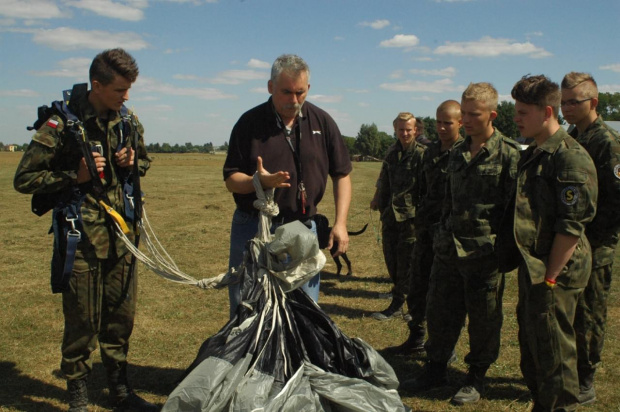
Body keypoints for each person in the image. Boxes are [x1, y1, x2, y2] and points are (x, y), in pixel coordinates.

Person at [13, 49, 157, 412]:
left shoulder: (127, 120)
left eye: (128, 90)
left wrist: (131, 161)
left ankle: (119, 390)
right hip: (81, 239)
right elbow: (24, 179)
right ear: (97, 85)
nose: (126, 97)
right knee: (82, 320)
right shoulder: (61, 123)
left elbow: (144, 161)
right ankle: (77, 393)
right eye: (120, 90)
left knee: (121, 319)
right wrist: (71, 176)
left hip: (122, 237)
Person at [401, 83, 520, 405]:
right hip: (448, 250)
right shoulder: (455, 153)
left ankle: (476, 376)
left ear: (492, 115)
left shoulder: (508, 154)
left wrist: (502, 252)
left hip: (484, 255)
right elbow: (445, 200)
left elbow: (515, 212)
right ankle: (435, 368)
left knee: (484, 321)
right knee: (440, 313)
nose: (466, 120)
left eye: (473, 114)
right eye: (463, 113)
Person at [223, 54, 352, 319]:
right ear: (270, 87)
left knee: (305, 314)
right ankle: (249, 360)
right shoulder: (249, 123)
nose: (294, 100)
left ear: (308, 89)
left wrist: (340, 223)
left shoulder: (322, 121)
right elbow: (231, 180)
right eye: (286, 92)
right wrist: (258, 182)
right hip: (255, 227)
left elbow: (342, 175)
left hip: (303, 227)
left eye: (300, 93)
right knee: (247, 310)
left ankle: (297, 361)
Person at [502, 74, 598, 411]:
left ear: (546, 112)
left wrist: (551, 278)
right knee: (534, 344)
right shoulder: (537, 152)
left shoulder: (569, 157)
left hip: (557, 268)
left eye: (522, 112)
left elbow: (571, 227)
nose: (515, 118)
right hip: (538, 266)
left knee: (554, 349)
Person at [561, 72, 620, 405]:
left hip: (595, 245)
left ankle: (586, 378)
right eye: (563, 101)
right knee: (570, 311)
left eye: (574, 101)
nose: (566, 107)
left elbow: (616, 198)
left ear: (593, 103)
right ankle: (570, 369)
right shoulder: (574, 135)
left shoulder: (607, 142)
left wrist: (592, 237)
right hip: (573, 242)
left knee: (590, 313)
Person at [389, 100, 463, 353]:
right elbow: (419, 188)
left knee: (443, 295)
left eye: (448, 123)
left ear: (460, 123)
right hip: (425, 231)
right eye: (438, 122)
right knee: (417, 286)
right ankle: (417, 336)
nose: (441, 128)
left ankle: (444, 347)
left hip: (450, 236)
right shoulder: (430, 152)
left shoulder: (464, 153)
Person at [369, 112, 425, 320]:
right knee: (391, 259)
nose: (404, 133)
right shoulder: (392, 152)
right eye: (401, 129)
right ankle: (401, 297)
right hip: (390, 216)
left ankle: (400, 305)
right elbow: (384, 178)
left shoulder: (421, 154)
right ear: (395, 130)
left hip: (410, 219)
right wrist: (377, 199)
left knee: (407, 263)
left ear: (416, 130)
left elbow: (426, 187)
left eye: (408, 129)